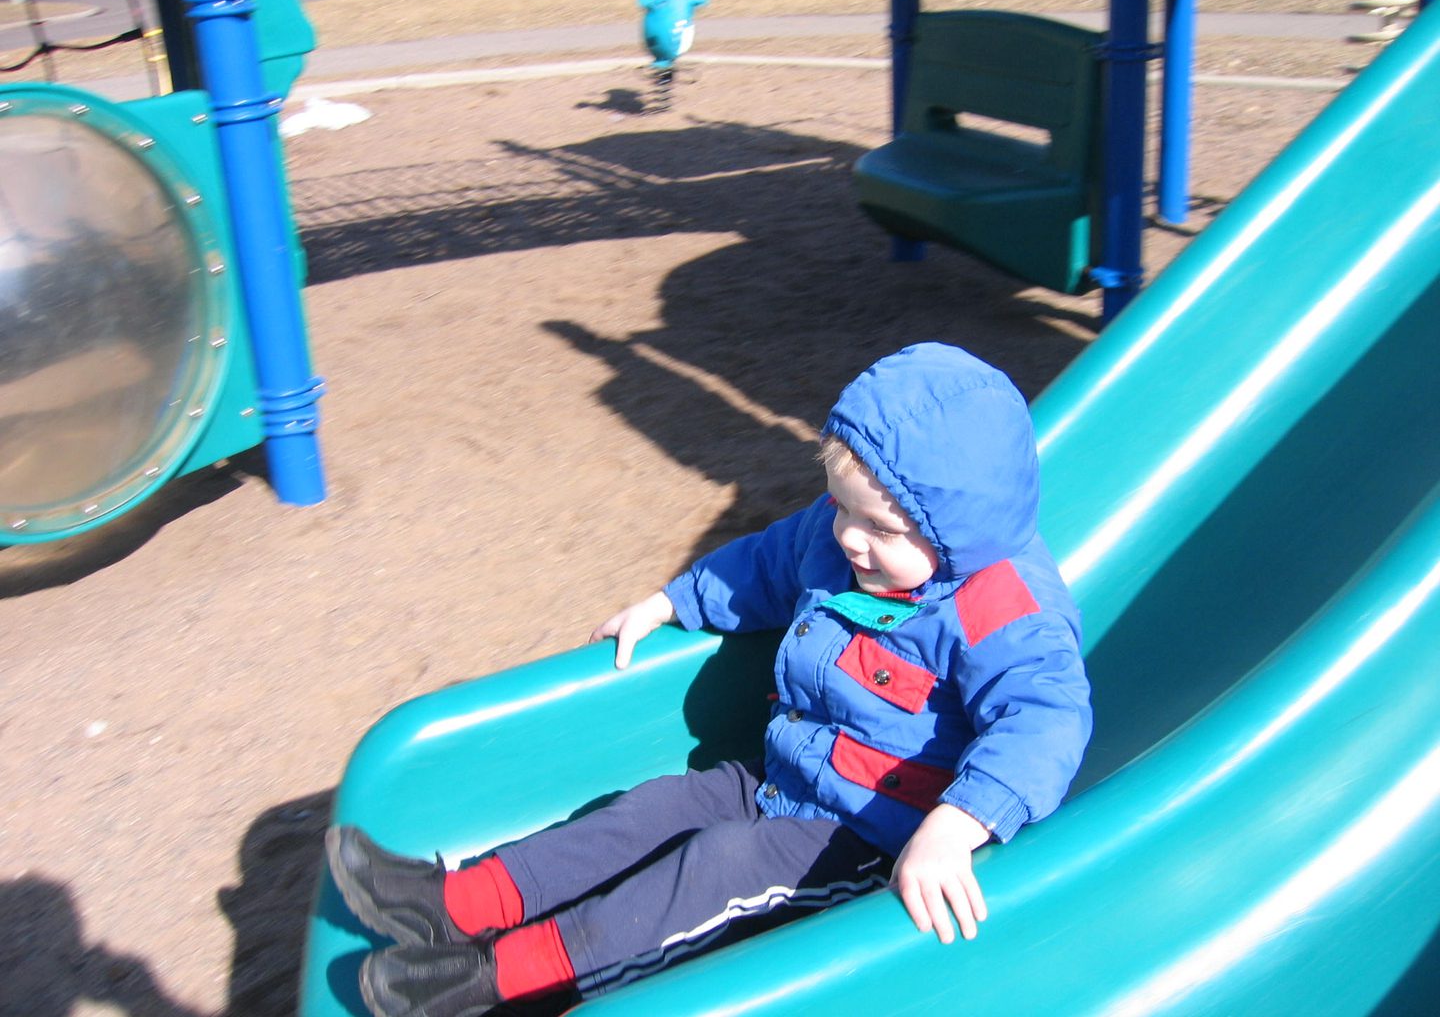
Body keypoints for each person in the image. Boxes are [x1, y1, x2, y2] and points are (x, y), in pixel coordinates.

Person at [329, 343, 1092, 1017]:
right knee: (647, 810)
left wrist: (954, 830)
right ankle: (457, 904)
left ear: (955, 530)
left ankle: (500, 981)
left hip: (867, 838)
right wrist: (668, 602)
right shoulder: (842, 538)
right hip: (782, 776)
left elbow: (1046, 720)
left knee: (716, 870)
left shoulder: (1003, 607)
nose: (848, 538)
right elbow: (763, 563)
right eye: (842, 510)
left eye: (882, 530)